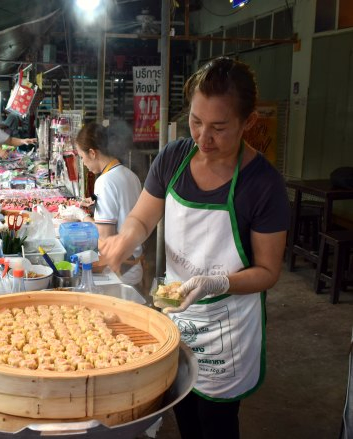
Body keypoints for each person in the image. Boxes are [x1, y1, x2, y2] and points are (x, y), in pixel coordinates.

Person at [99, 57, 290, 439]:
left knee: (215, 425)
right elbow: (142, 218)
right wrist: (125, 239)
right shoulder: (174, 156)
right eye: (196, 122)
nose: (203, 138)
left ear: (247, 122)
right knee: (182, 412)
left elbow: (268, 272)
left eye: (219, 128)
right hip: (177, 314)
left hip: (228, 328)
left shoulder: (263, 185)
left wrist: (217, 283)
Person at [72, 122, 143, 287]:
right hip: (134, 263)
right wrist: (94, 205)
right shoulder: (129, 174)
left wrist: (80, 216)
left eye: (82, 157)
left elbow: (104, 235)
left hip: (119, 271)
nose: (83, 163)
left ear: (92, 153)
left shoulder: (105, 181)